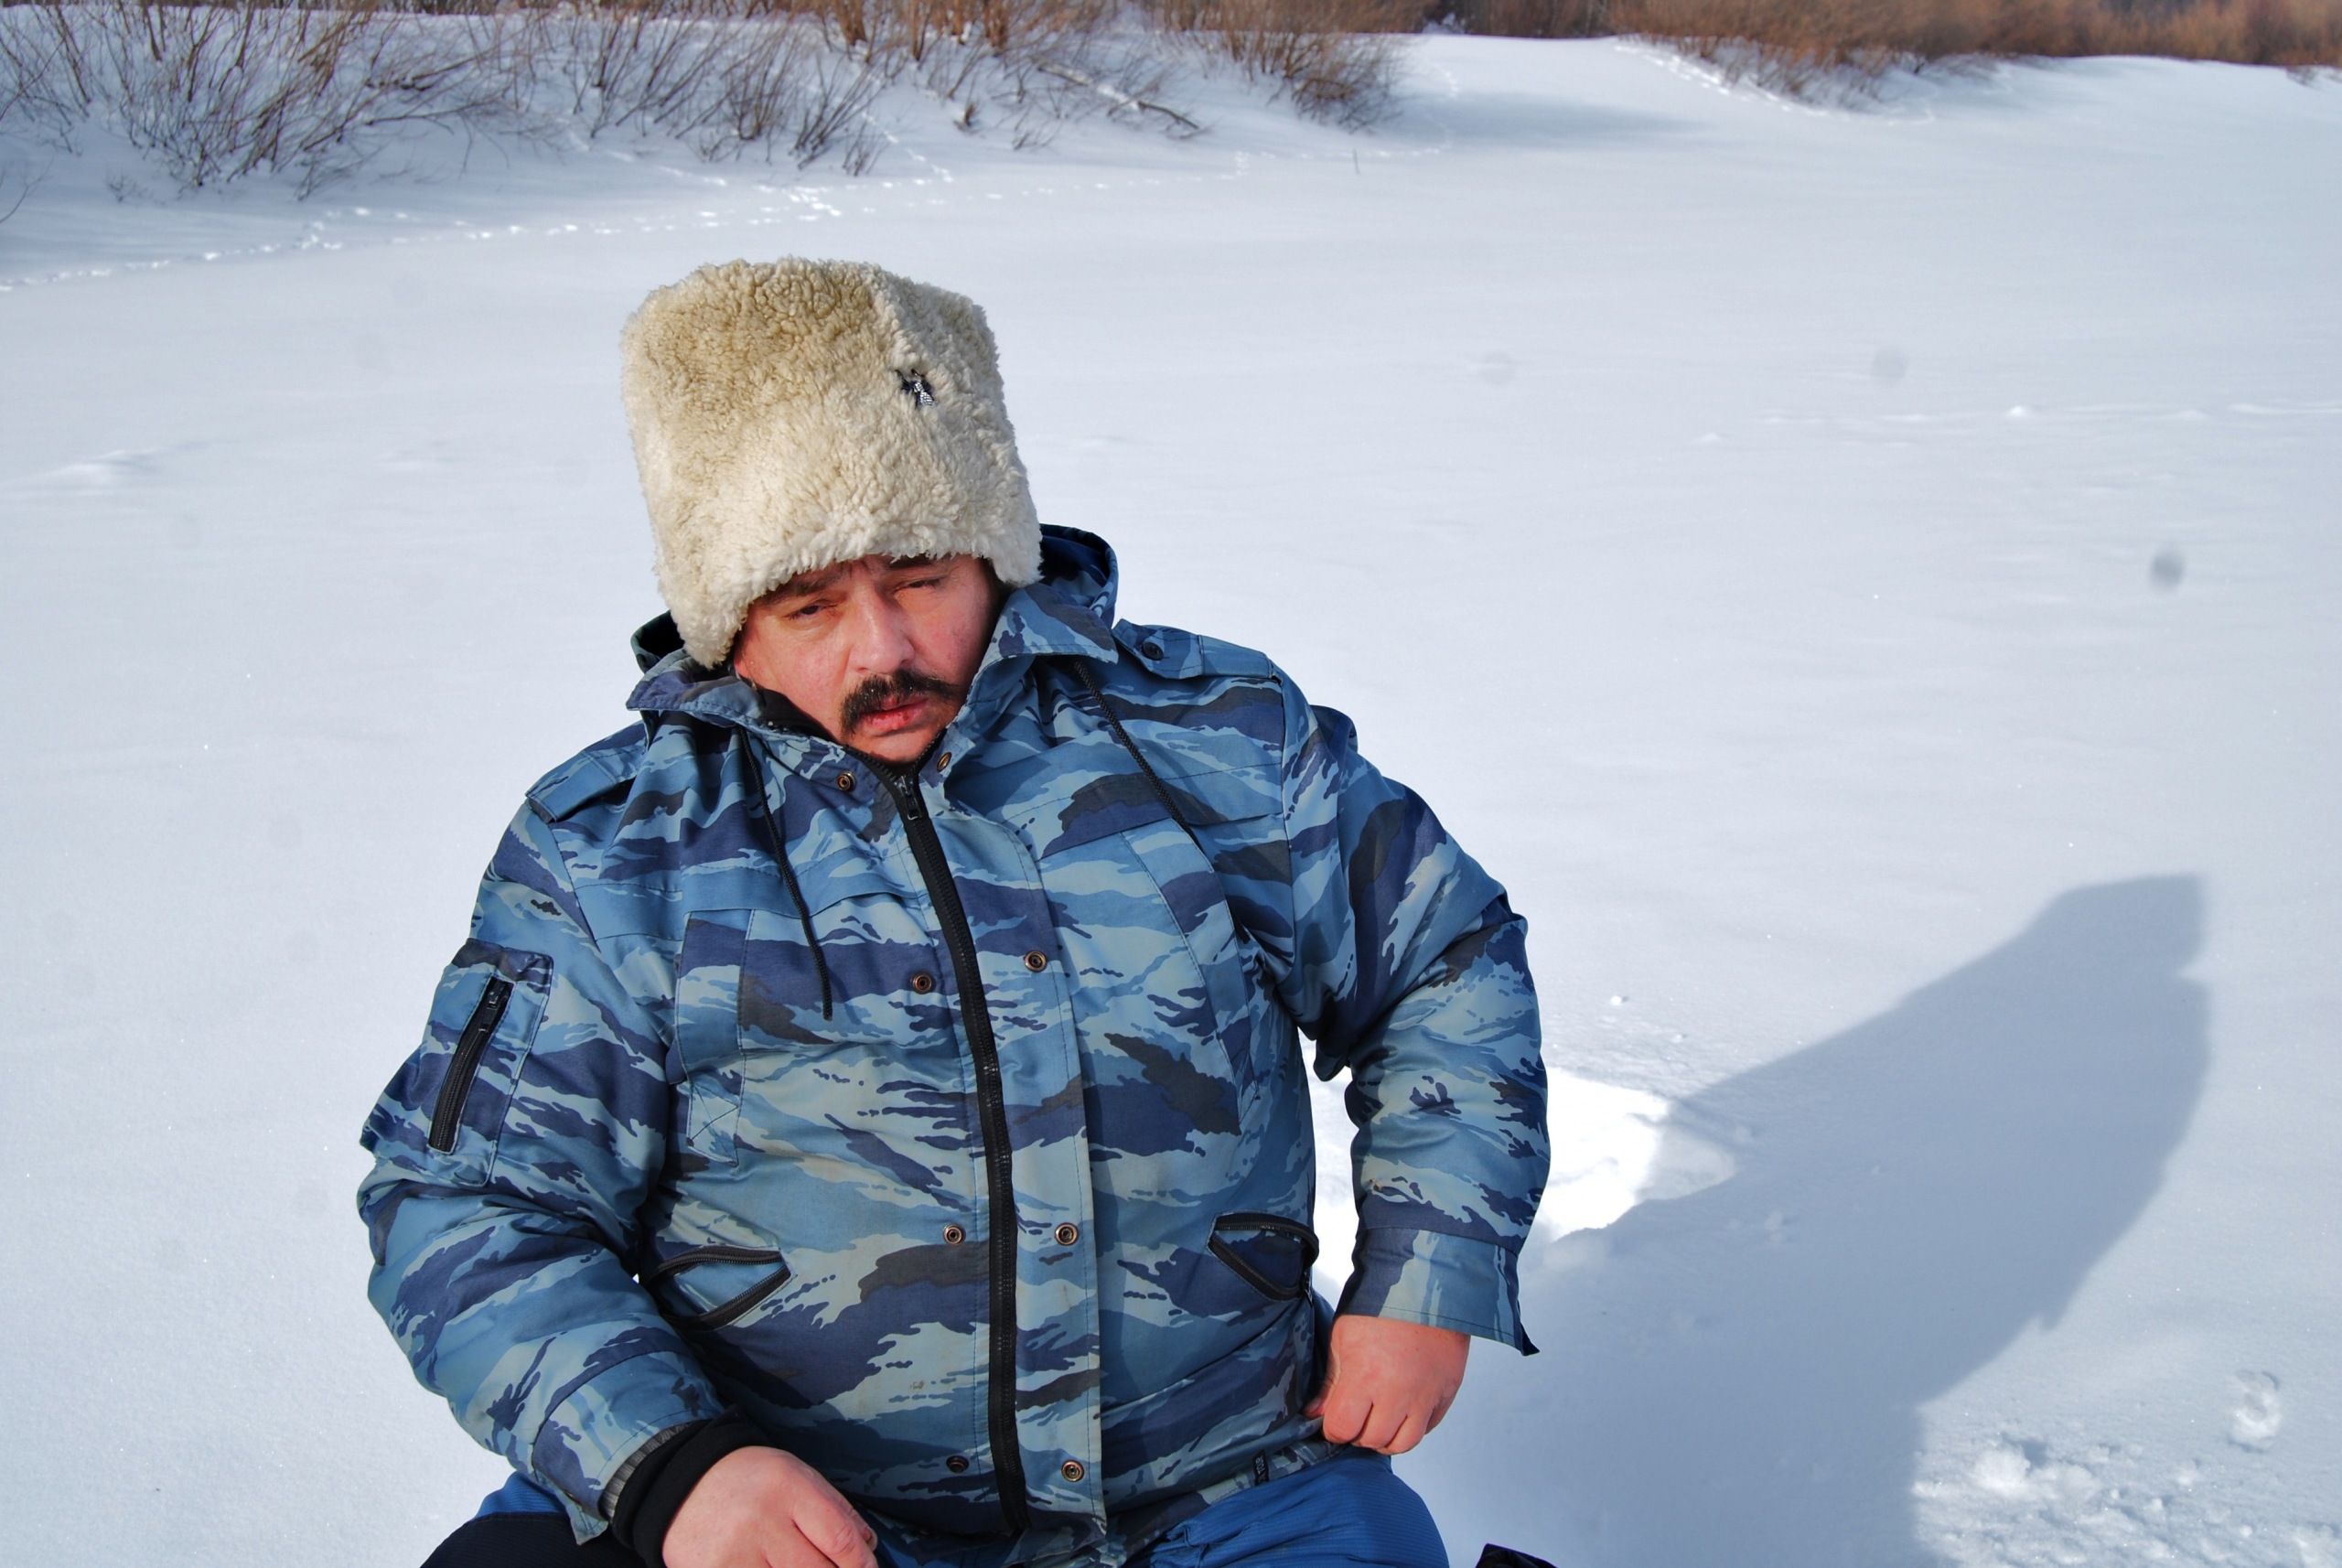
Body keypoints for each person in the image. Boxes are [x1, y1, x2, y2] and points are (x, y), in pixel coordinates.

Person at [359, 258, 1550, 1568]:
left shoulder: (1215, 742)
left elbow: (1442, 967)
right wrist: (671, 1469)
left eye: (919, 575)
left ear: (994, 552)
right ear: (730, 630)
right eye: (810, 604)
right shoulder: (619, 853)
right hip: (800, 1519)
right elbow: (467, 1203)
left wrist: (1428, 1272)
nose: (882, 648)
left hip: (1221, 1479)